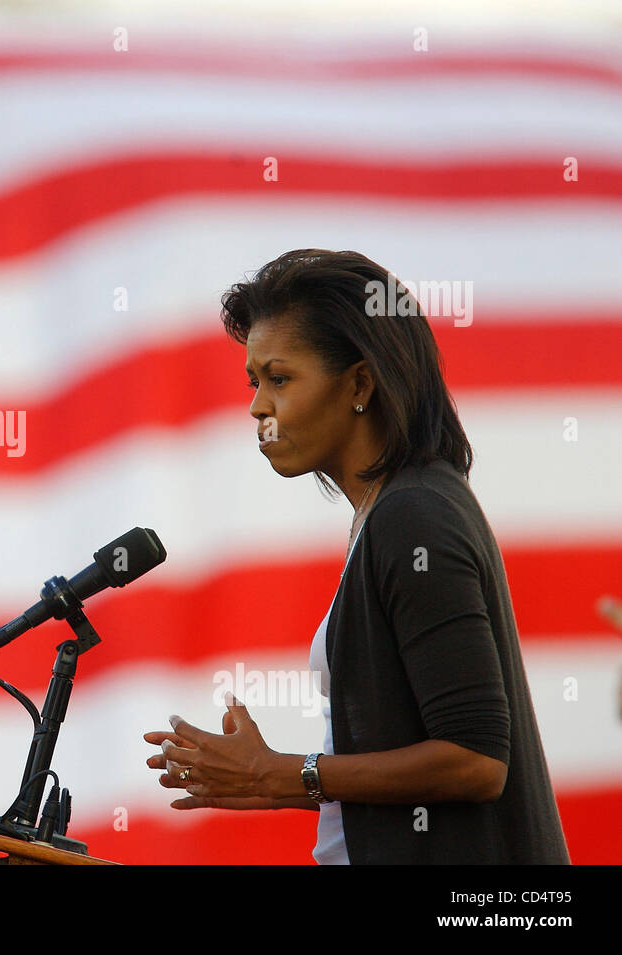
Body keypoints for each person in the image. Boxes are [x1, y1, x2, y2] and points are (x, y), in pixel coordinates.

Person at [143, 249, 570, 864]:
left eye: (280, 378)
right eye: (253, 382)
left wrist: (282, 774)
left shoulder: (413, 515)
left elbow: (476, 761)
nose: (259, 407)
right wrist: (266, 780)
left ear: (360, 384)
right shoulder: (394, 510)